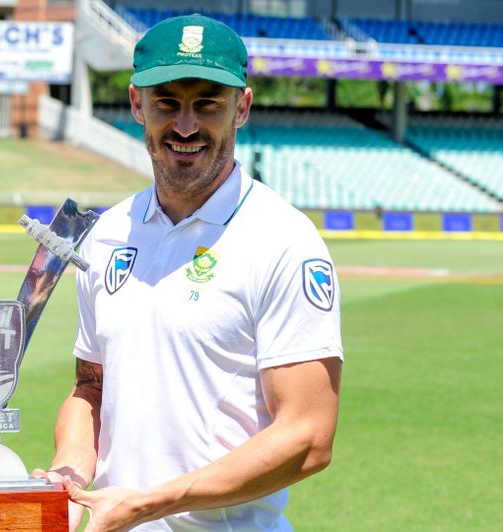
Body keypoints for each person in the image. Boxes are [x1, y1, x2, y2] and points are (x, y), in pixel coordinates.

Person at [38, 14, 343, 531]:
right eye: (167, 103)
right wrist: (70, 470)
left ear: (241, 108)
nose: (184, 125)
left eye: (207, 104)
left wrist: (152, 502)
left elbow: (309, 438)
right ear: (137, 103)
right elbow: (91, 386)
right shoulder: (109, 232)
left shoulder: (284, 240)